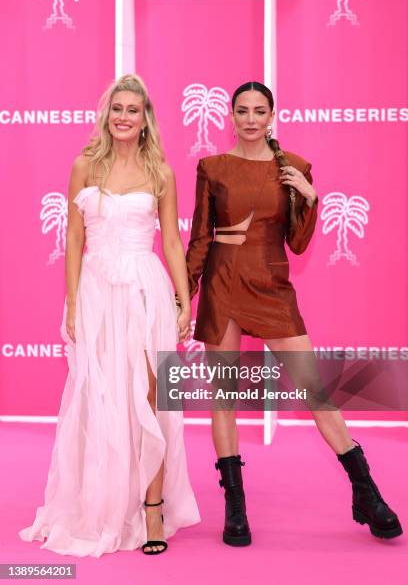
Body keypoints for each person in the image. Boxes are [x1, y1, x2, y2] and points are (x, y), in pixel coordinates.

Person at [184, 81, 402, 546]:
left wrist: (309, 195)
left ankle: (367, 492)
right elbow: (201, 238)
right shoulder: (211, 167)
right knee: (224, 400)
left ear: (271, 116)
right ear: (231, 116)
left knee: (317, 395)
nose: (250, 119)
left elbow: (298, 244)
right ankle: (236, 510)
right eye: (242, 110)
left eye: (258, 111)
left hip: (272, 288)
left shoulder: (296, 168)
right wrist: (186, 296)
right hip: (222, 287)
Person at [19, 74, 200, 557]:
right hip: (97, 292)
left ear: (146, 120)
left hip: (146, 291)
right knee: (100, 397)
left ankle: (154, 508)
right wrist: (74, 301)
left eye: (132, 110)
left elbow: (172, 242)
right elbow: (73, 239)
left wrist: (184, 301)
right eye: (116, 108)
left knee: (150, 396)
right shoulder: (84, 167)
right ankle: (103, 502)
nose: (123, 117)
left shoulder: (161, 172)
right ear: (107, 116)